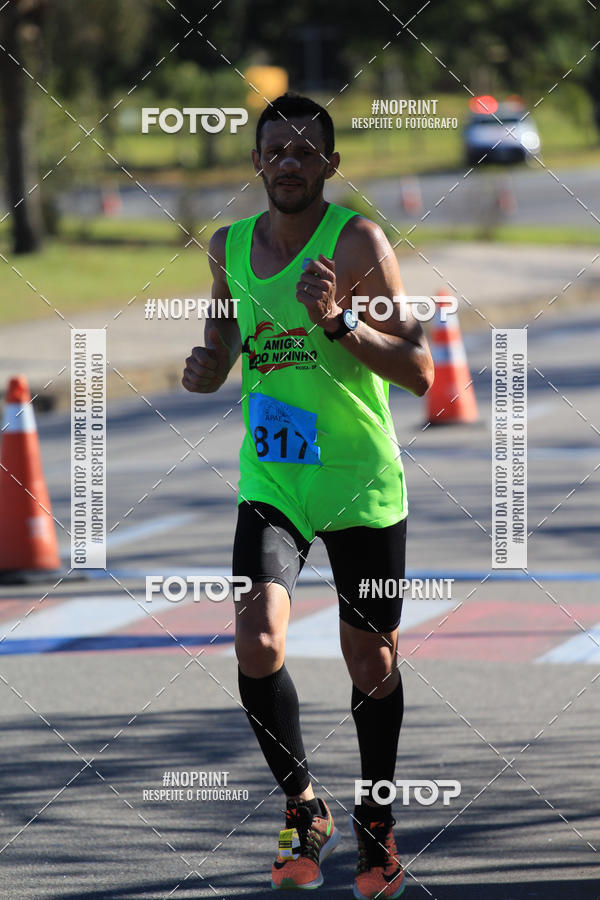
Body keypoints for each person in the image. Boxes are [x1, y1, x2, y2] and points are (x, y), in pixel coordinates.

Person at [182, 92, 434, 898]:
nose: (288, 162)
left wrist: (338, 324)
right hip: (275, 476)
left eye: (304, 151)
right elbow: (224, 336)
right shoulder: (226, 246)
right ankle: (303, 806)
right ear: (257, 164)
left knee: (372, 662)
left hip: (360, 481)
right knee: (257, 640)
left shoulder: (357, 239)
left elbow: (420, 370)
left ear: (330, 165)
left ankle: (377, 822)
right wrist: (207, 365)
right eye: (275, 150)